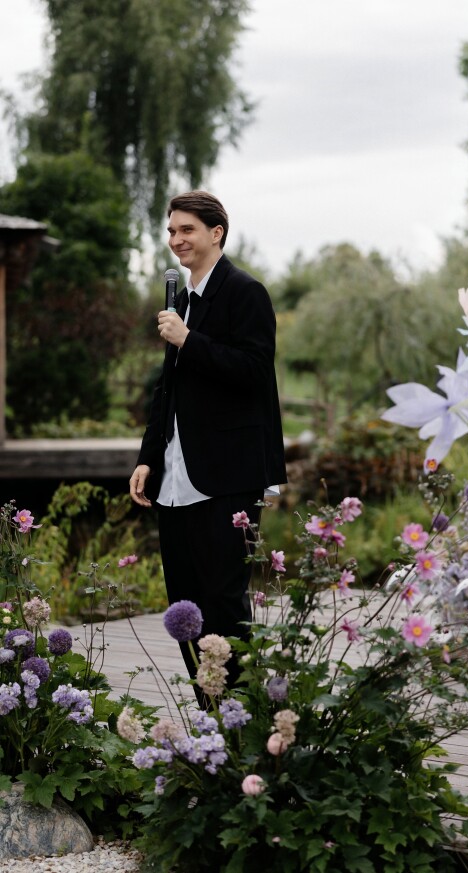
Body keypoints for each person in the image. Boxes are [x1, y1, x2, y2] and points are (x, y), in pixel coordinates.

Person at [129, 190, 287, 693]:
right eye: (171, 231)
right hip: (175, 476)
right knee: (185, 607)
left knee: (224, 602)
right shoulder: (181, 301)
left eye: (187, 230)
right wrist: (148, 458)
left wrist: (188, 340)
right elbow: (168, 387)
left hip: (228, 474)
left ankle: (241, 715)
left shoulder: (245, 292)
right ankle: (209, 713)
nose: (176, 240)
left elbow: (255, 371)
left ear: (216, 233)